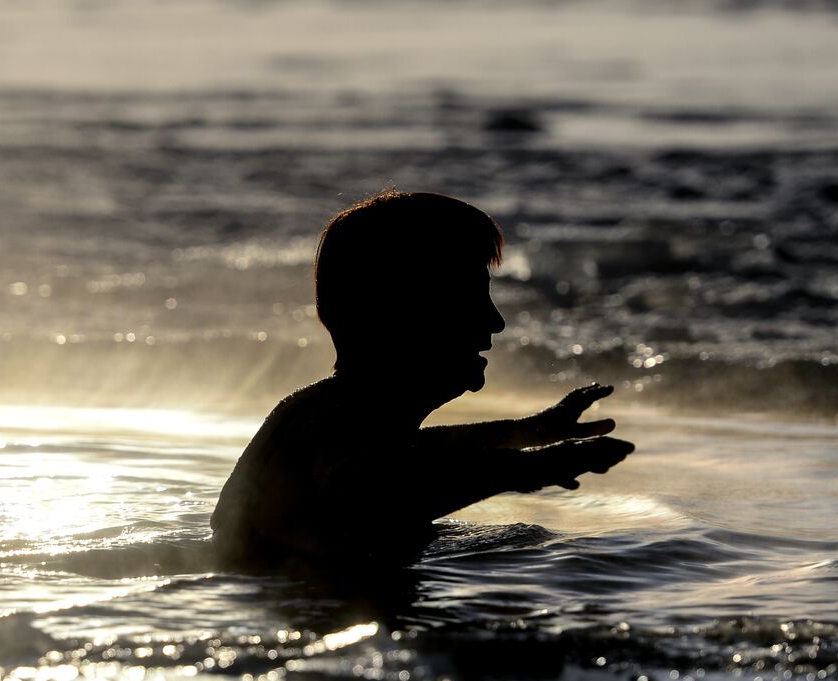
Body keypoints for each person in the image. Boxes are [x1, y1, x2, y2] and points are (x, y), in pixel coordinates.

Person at [211, 189, 634, 571]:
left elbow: (414, 454)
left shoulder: (339, 413)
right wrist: (530, 469)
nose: (496, 321)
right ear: (402, 313)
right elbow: (383, 492)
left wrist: (531, 431)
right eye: (471, 296)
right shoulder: (326, 425)